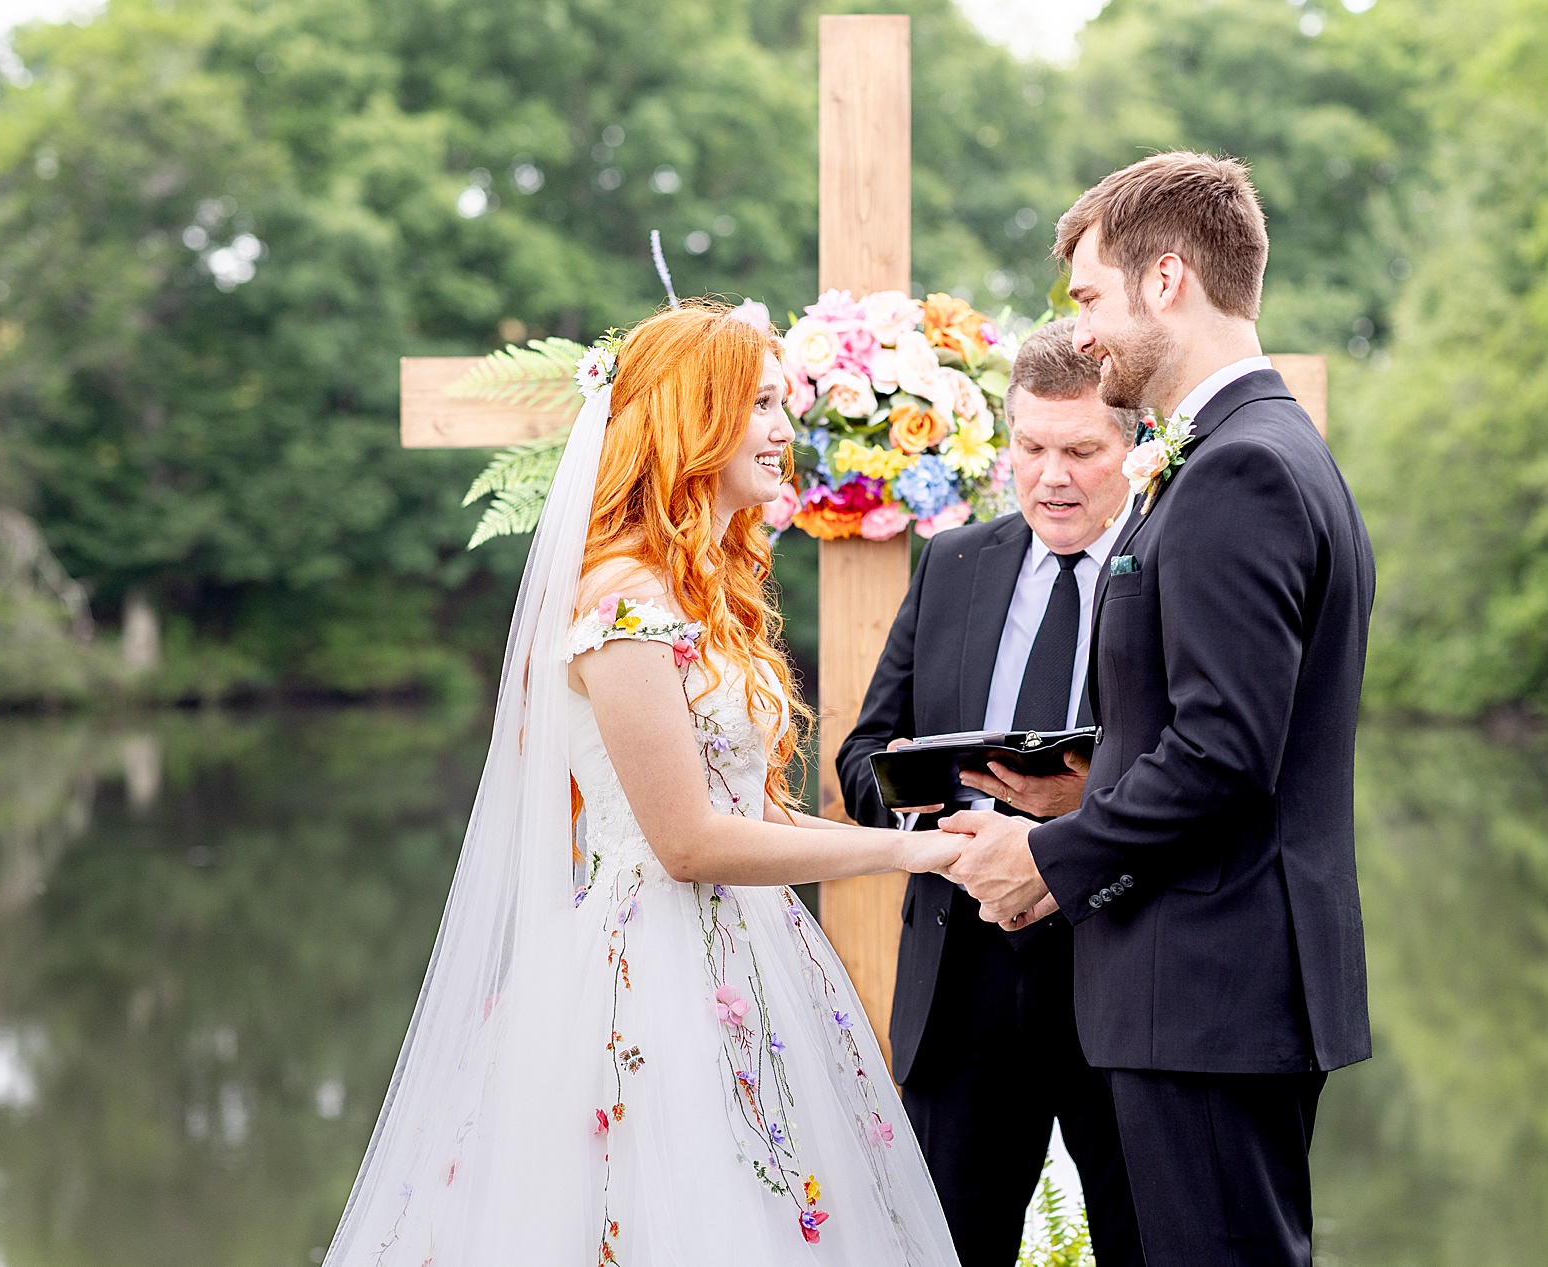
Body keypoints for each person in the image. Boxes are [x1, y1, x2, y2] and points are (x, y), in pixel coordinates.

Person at [323, 303, 964, 1266]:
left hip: (754, 953)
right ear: (689, 419)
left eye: (782, 402)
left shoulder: (700, 589)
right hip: (652, 972)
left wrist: (933, 821)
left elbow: (745, 805)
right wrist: (910, 853)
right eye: (759, 405)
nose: (786, 431)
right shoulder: (623, 600)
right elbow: (688, 841)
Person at [941, 152, 1376, 1267]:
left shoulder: (1243, 470)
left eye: (1089, 297)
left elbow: (1227, 751)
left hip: (1210, 988)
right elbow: (1208, 728)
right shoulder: (1246, 451)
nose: (1080, 332)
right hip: (1205, 986)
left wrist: (1050, 857)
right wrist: (1072, 791)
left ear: (1168, 279)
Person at [836, 319, 1144, 1267]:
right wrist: (925, 813)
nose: (1052, 475)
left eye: (1082, 450)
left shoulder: (1171, 566)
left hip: (1123, 973)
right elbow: (859, 758)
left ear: (1133, 443)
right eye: (1031, 446)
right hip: (959, 986)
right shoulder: (955, 561)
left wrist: (1087, 803)